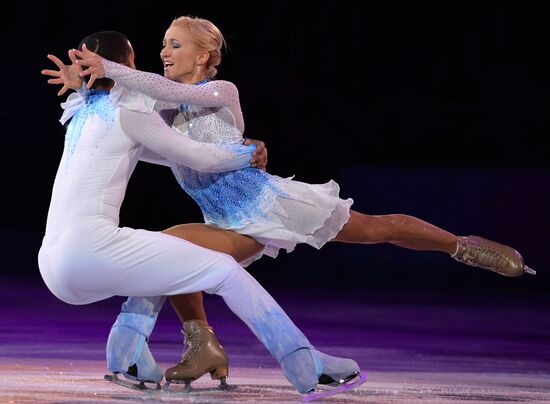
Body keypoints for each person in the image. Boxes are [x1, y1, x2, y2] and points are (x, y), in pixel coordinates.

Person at [67, 15, 536, 388]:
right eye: (163, 44)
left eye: (174, 44)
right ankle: (202, 345)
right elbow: (138, 139)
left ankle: (463, 245)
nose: (164, 52)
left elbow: (166, 89)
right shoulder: (161, 112)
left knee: (378, 228)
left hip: (272, 204)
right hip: (229, 222)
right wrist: (91, 87)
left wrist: (112, 68)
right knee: (170, 253)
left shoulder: (217, 91)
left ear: (205, 54)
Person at [39, 30, 364, 399]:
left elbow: (152, 138)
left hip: (52, 265)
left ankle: (127, 358)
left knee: (158, 264)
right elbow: (201, 157)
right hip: (88, 250)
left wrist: (82, 84)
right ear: (125, 64)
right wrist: (247, 151)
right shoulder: (128, 112)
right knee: (224, 270)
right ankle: (307, 366)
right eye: (134, 59)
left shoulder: (81, 113)